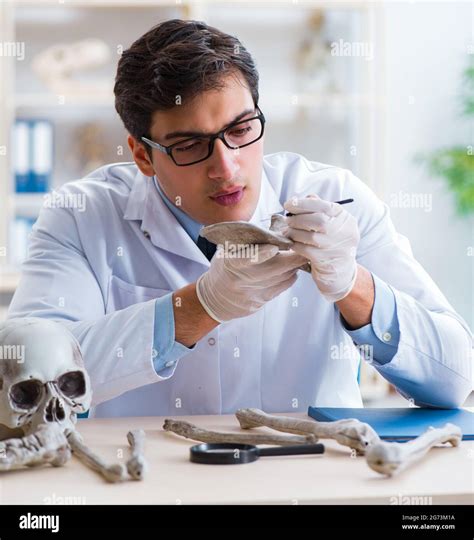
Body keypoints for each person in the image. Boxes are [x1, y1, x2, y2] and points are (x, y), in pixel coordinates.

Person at [8, 19, 472, 417]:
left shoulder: (337, 200)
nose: (226, 167)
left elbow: (456, 378)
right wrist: (196, 308)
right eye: (189, 145)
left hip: (307, 483)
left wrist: (352, 284)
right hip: (139, 488)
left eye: (241, 129)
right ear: (142, 157)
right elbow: (25, 377)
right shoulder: (81, 216)